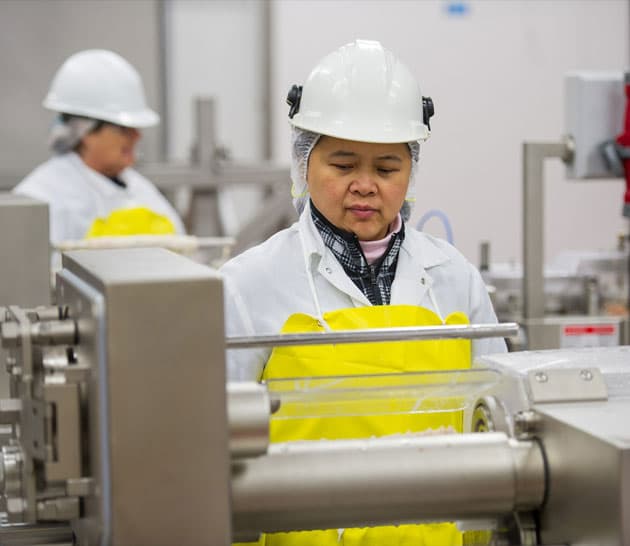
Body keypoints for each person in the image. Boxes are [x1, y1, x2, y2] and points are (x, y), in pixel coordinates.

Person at [221, 40, 506, 545]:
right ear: (304, 164)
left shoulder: (453, 279)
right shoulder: (249, 285)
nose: (365, 185)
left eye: (387, 168)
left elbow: (500, 425)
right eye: (344, 164)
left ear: (410, 173)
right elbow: (214, 451)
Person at [13, 49, 185, 247]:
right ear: (85, 131)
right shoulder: (41, 198)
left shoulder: (141, 189)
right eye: (123, 129)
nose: (137, 136)